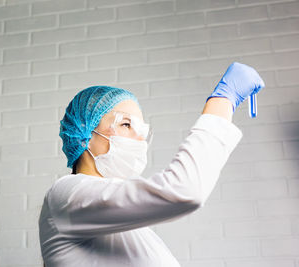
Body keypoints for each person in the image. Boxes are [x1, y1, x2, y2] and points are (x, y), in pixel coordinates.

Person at [38, 62, 265, 267]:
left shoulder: (120, 223)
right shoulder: (66, 195)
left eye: (142, 131)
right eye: (126, 124)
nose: (140, 140)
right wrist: (224, 100)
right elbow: (184, 189)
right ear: (83, 134)